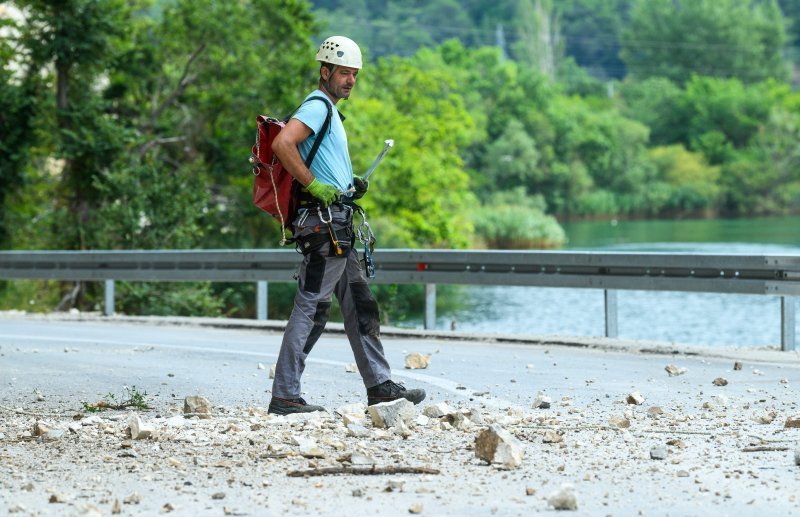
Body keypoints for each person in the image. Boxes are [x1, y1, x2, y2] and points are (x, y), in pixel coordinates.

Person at [267, 36, 426, 415]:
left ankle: (380, 386)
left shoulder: (331, 112)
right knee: (312, 308)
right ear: (325, 72)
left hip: (336, 224)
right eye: (343, 73)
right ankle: (285, 395)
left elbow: (318, 161)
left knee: (359, 303)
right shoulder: (318, 106)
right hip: (323, 227)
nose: (350, 80)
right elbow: (283, 144)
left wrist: (347, 182)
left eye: (354, 74)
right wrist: (314, 185)